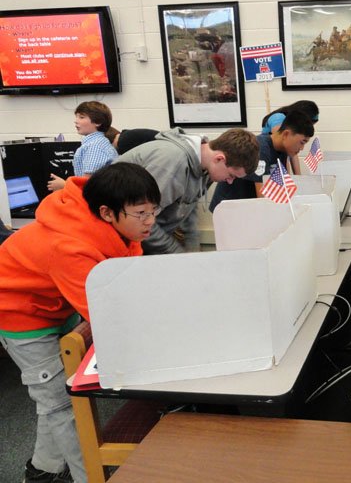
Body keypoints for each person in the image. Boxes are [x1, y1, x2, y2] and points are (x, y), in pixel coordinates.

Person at [0, 163, 161, 483]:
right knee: (62, 404)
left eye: (153, 210)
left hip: (55, 301)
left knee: (55, 397)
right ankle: (87, 477)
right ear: (106, 212)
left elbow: (127, 283)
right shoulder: (71, 246)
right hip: (19, 312)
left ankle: (42, 471)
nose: (151, 221)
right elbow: (105, 315)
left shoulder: (121, 227)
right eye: (141, 213)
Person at [117, 128, 259, 254]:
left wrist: (192, 252)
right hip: (117, 239)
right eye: (231, 175)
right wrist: (177, 253)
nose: (230, 181)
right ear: (219, 159)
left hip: (140, 239)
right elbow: (141, 220)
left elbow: (189, 212)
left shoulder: (205, 169)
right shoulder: (173, 162)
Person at [209, 111, 314, 212]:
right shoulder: (262, 148)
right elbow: (262, 198)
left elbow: (281, 187)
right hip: (229, 206)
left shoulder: (283, 150)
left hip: (246, 207)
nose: (302, 148)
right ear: (286, 134)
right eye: (302, 142)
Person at [47, 101, 118, 191]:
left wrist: (64, 185)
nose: (76, 121)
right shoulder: (98, 143)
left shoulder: (95, 146)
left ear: (98, 122)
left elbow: (89, 185)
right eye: (76, 117)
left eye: (81, 117)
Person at [261, 101, 319, 175]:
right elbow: (284, 144)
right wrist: (288, 175)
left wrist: (298, 178)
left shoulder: (290, 145)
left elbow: (293, 153)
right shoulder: (278, 118)